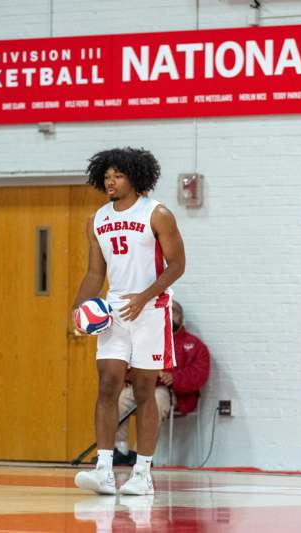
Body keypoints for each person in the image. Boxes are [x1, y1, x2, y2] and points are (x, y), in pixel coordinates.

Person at [72, 147, 185, 495]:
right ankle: (104, 468)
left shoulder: (158, 214)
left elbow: (178, 265)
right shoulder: (98, 219)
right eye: (106, 176)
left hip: (150, 308)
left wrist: (145, 297)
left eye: (117, 175)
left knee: (143, 390)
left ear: (135, 178)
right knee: (108, 383)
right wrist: (77, 309)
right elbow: (95, 272)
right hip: (115, 309)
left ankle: (142, 473)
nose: (110, 181)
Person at [113, 300, 210, 465]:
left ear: (182, 318)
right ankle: (121, 451)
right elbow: (128, 367)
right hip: (142, 387)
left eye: (175, 311)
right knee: (120, 398)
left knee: (156, 402)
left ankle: (140, 455)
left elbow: (199, 374)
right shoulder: (145, 341)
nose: (170, 314)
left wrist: (174, 378)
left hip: (169, 392)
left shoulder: (195, 345)